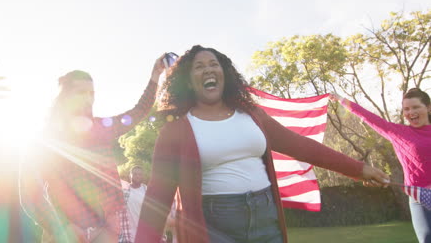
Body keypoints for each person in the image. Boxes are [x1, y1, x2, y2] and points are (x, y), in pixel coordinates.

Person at [134, 45, 390, 243]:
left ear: (225, 73)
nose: (208, 69)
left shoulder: (252, 115)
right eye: (199, 67)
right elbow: (157, 196)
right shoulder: (175, 130)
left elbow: (301, 146)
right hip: (213, 226)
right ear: (188, 81)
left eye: (214, 64)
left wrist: (358, 169)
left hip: (266, 219)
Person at [20, 56, 165, 242]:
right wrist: (61, 227)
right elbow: (28, 192)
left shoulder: (103, 128)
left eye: (92, 93)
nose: (89, 99)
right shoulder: (47, 139)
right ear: (65, 97)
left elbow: (137, 113)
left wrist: (155, 77)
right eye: (81, 93)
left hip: (105, 231)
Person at [330, 88, 431, 243]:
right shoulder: (398, 132)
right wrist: (341, 100)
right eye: (406, 109)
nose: (411, 112)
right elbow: (369, 117)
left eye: (416, 107)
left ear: (428, 107)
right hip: (418, 198)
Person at [119, 166, 148, 243]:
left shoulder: (147, 191)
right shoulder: (124, 192)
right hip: (129, 234)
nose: (137, 176)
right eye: (135, 174)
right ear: (130, 175)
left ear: (143, 176)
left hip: (145, 233)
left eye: (140, 174)